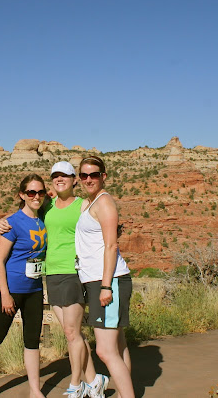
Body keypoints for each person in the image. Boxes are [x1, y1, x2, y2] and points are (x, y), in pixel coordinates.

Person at [0, 161, 109, 398]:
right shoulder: (47, 205)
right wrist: (2, 223)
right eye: (55, 175)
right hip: (51, 273)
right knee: (74, 334)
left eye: (65, 175)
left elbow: (104, 226)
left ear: (74, 179)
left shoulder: (83, 204)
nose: (60, 178)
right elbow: (25, 212)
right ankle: (94, 381)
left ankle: (76, 385)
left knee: (71, 332)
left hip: (74, 272)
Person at [0, 174, 48, 398]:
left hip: (34, 290)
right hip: (11, 289)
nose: (36, 196)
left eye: (40, 192)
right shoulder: (12, 223)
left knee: (32, 340)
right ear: (22, 195)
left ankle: (35, 390)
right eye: (31, 192)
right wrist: (5, 294)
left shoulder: (43, 217)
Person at [76, 156, 134, 398]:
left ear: (104, 176)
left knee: (105, 351)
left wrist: (106, 286)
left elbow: (111, 246)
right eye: (84, 175)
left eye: (94, 175)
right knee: (118, 345)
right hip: (98, 280)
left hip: (109, 280)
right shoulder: (89, 202)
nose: (89, 179)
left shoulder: (104, 203)